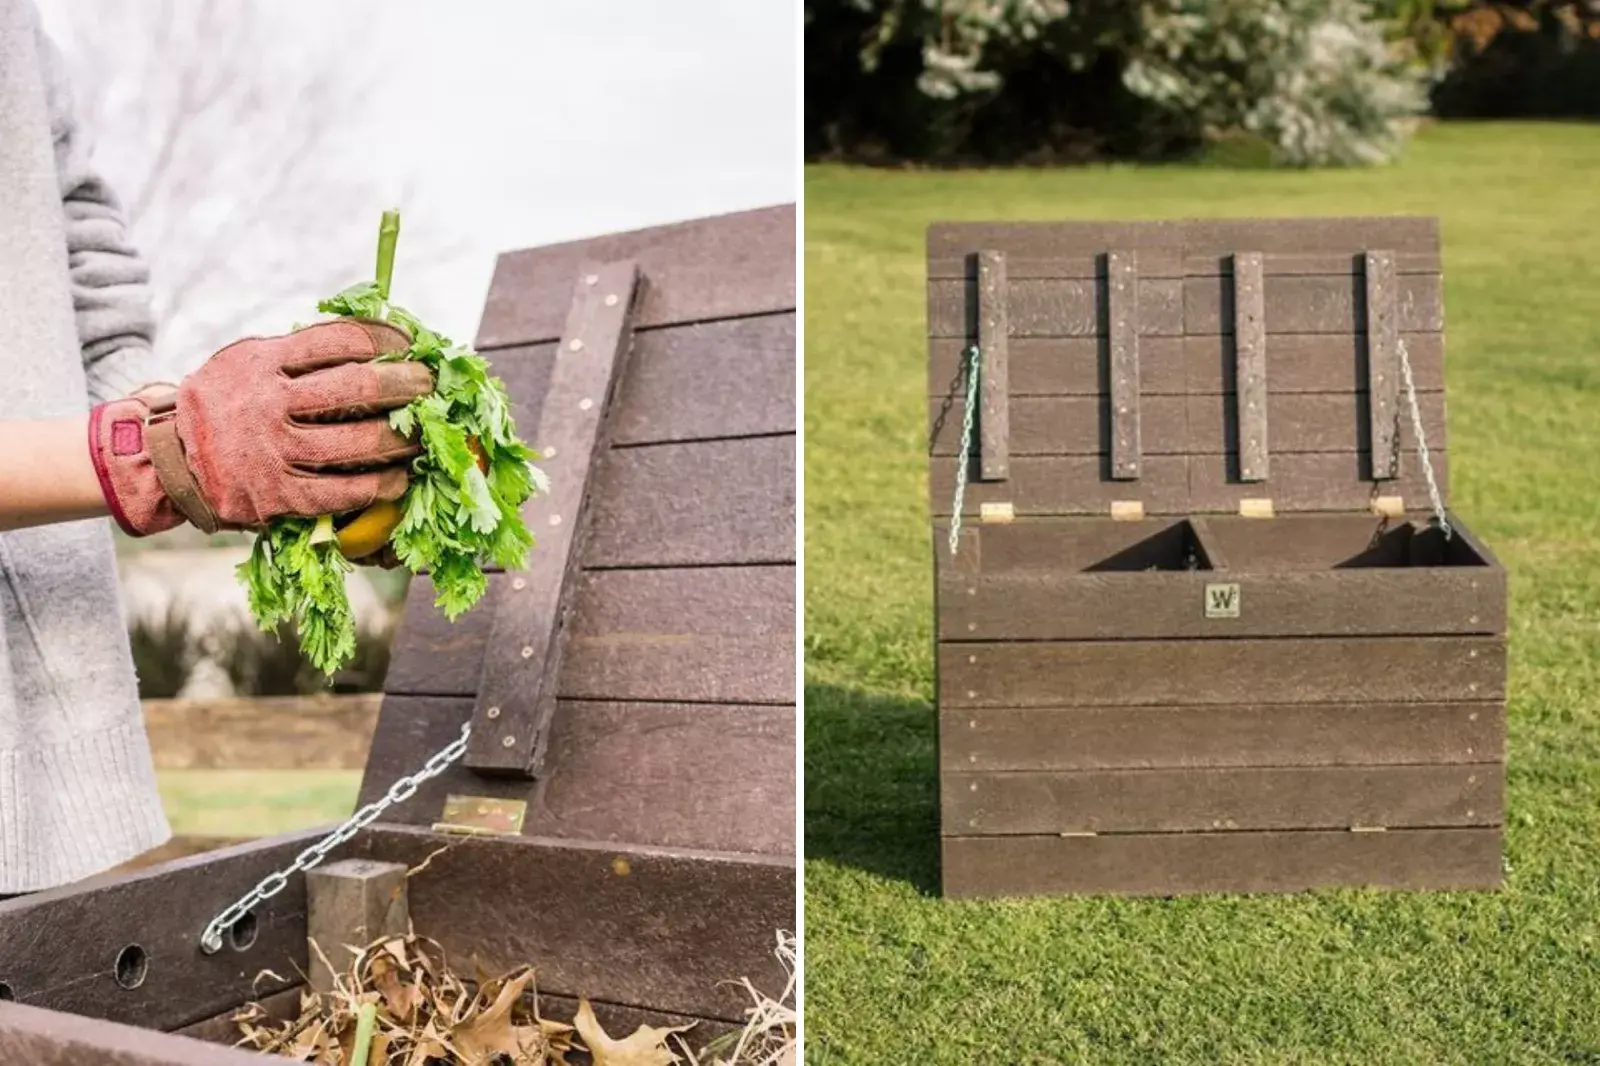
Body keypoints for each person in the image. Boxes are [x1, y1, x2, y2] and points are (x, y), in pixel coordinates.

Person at [0, 0, 430, 896]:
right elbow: (152, 453)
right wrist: (152, 456)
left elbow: (81, 249)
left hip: (39, 769)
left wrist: (212, 441)